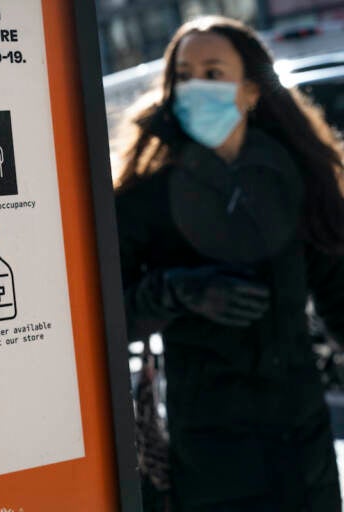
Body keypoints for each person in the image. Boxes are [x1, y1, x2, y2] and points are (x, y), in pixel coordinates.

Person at [114, 16, 344, 512]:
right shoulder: (146, 196)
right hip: (207, 458)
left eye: (214, 72)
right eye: (184, 74)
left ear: (251, 91)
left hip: (302, 453)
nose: (196, 86)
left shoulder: (297, 180)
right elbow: (106, 317)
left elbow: (340, 297)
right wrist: (175, 291)